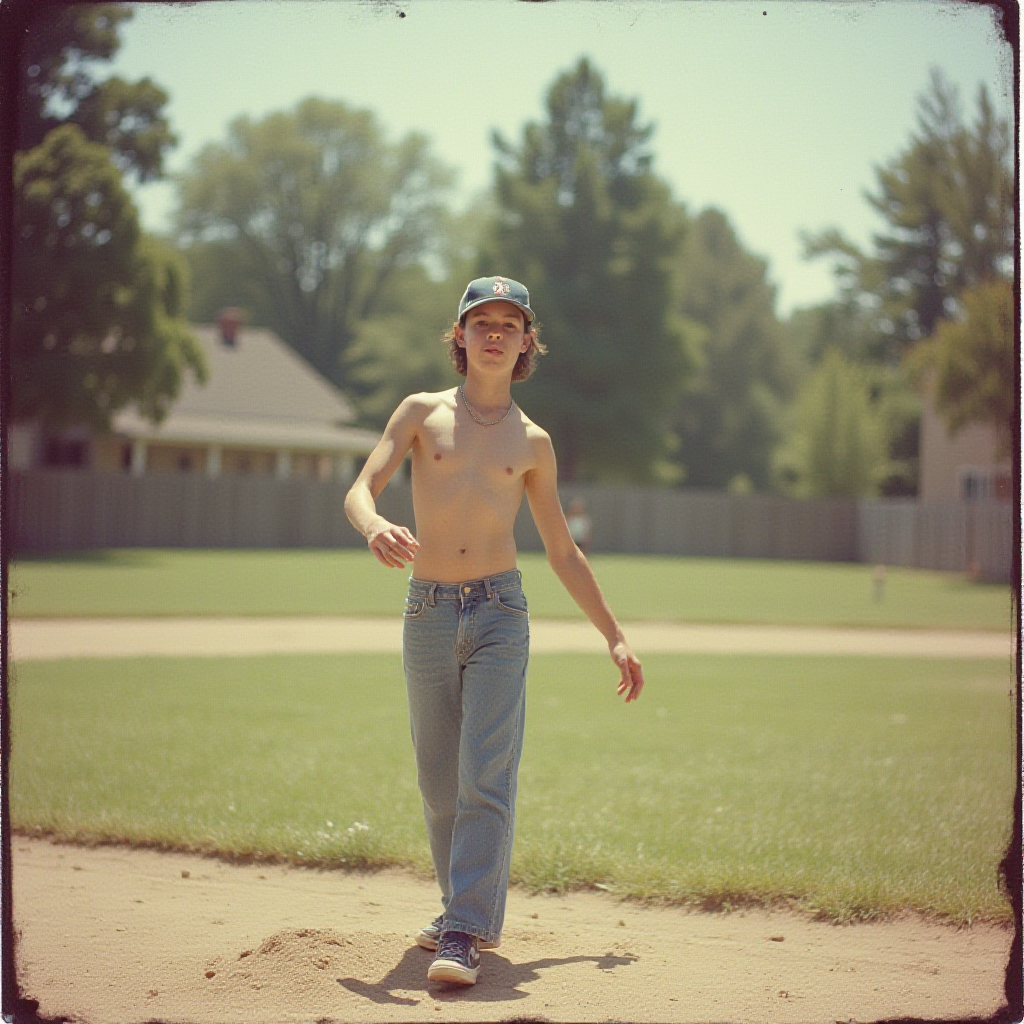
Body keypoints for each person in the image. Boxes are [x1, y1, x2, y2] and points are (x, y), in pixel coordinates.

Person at [343, 276, 644, 987]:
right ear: (461, 336)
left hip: (501, 613)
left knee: (486, 775)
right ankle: (461, 907)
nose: (497, 333)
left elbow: (562, 551)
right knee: (438, 779)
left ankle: (464, 930)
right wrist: (374, 525)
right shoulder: (420, 412)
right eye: (483, 322)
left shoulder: (533, 442)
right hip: (428, 610)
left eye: (511, 323)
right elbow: (360, 488)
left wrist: (615, 634)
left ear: (526, 342)